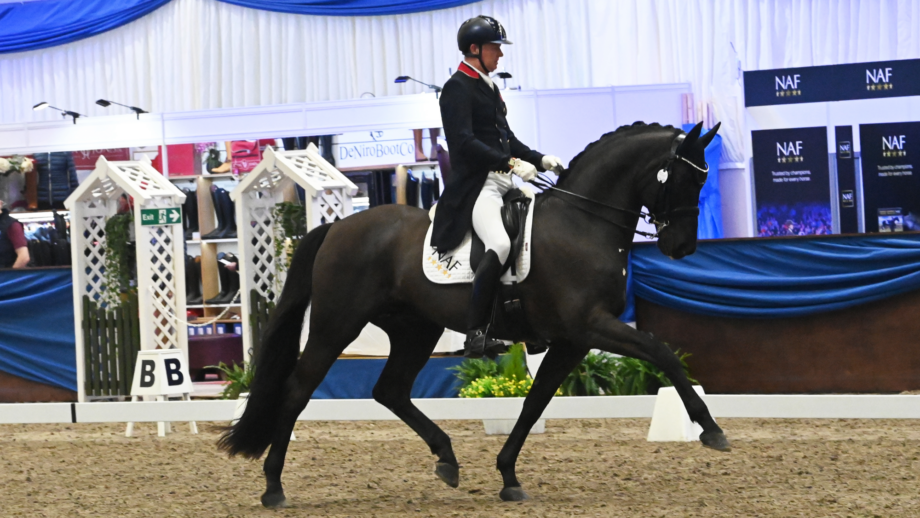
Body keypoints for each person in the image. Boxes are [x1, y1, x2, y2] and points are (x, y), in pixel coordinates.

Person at [431, 15, 563, 358]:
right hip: (478, 186)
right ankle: (476, 333)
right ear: (474, 49)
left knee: (542, 233)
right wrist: (509, 164)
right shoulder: (457, 87)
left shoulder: (488, 86)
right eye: (494, 48)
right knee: (501, 244)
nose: (500, 55)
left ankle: (530, 322)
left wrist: (539, 157)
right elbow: (463, 142)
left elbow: (507, 139)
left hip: (504, 181)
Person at [0, 200, 30, 269]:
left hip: (5, 275)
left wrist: (9, 277)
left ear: (0, 203)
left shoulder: (11, 225)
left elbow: (23, 257)